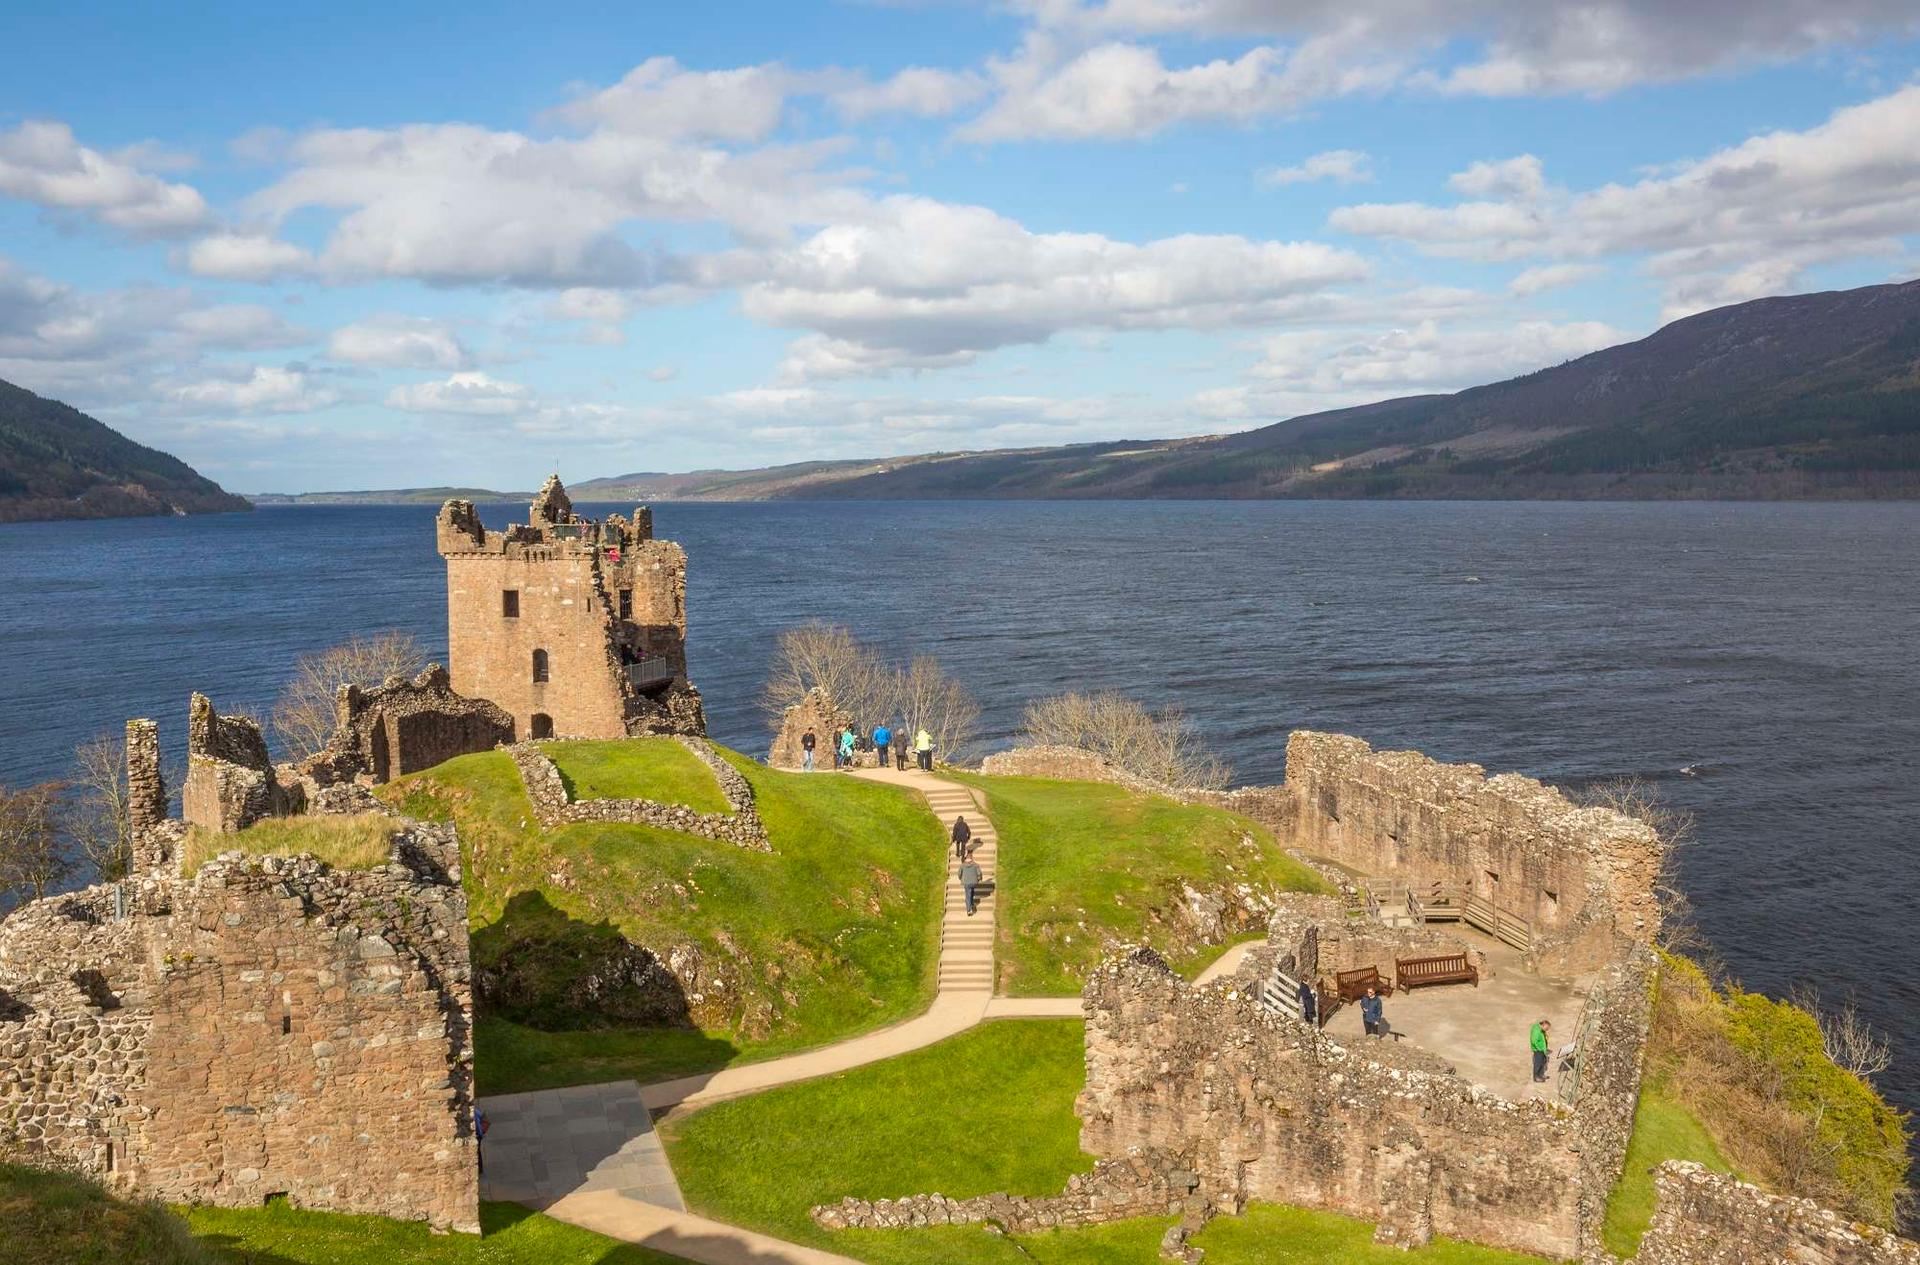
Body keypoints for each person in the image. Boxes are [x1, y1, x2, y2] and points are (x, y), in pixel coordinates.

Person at [1530, 1018, 1552, 1083]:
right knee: (1538, 1063)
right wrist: (1540, 1049)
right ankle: (1536, 1077)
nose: (1547, 1029)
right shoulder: (1536, 1030)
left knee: (1543, 1061)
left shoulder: (1541, 1029)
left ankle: (1541, 1075)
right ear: (1543, 1025)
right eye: (1547, 1028)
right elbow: (1534, 1041)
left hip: (1542, 1049)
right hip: (1538, 1050)